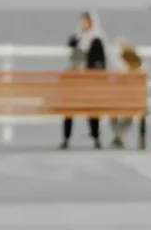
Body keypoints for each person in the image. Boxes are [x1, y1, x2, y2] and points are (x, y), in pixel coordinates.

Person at [61, 11, 106, 149]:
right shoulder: (80, 39)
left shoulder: (95, 40)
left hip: (87, 87)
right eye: (82, 21)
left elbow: (97, 67)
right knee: (88, 105)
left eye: (86, 22)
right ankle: (95, 138)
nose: (83, 24)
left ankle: (68, 139)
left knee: (73, 104)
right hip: (84, 88)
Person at [108, 37, 146, 149]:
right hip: (133, 104)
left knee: (114, 112)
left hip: (117, 103)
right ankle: (119, 136)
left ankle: (118, 136)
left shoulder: (119, 72)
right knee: (130, 114)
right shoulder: (139, 72)